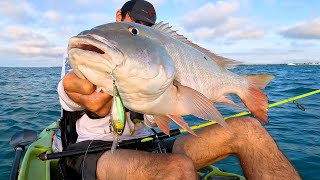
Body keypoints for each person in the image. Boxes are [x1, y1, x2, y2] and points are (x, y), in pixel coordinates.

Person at [58, 0, 301, 179]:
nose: (143, 29)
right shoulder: (90, 62)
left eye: (147, 26)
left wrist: (207, 90)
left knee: (250, 130)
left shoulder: (157, 59)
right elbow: (79, 89)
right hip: (95, 152)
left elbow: (158, 117)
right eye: (136, 26)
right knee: (176, 170)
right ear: (120, 15)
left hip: (149, 146)